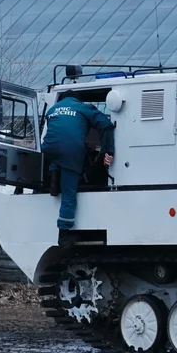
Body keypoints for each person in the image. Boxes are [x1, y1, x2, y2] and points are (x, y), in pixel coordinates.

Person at [41, 92, 115, 242]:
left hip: (49, 147)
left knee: (58, 158)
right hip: (71, 150)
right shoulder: (83, 108)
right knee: (69, 190)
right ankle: (64, 233)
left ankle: (53, 177)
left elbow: (59, 134)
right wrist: (108, 151)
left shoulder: (52, 109)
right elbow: (105, 125)